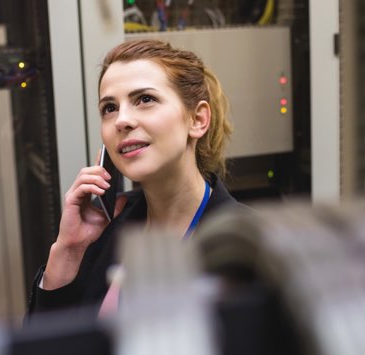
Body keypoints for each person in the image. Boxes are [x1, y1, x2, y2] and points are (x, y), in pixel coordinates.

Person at [25, 39, 248, 320]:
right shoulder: (106, 229)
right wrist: (69, 249)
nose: (122, 120)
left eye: (145, 99)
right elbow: (49, 354)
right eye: (110, 108)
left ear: (198, 120)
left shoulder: (247, 244)